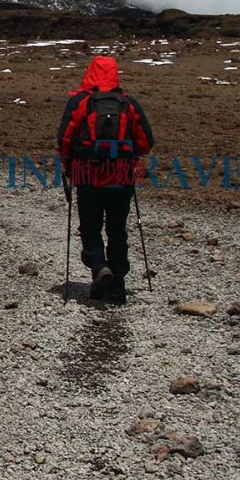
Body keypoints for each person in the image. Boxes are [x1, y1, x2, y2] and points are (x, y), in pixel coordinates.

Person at [57, 56, 154, 303]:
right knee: (117, 229)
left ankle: (100, 267)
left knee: (90, 227)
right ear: (115, 74)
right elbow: (145, 142)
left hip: (87, 172)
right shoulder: (128, 103)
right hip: (121, 175)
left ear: (90, 72)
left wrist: (69, 166)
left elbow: (65, 139)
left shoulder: (80, 102)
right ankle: (118, 286)